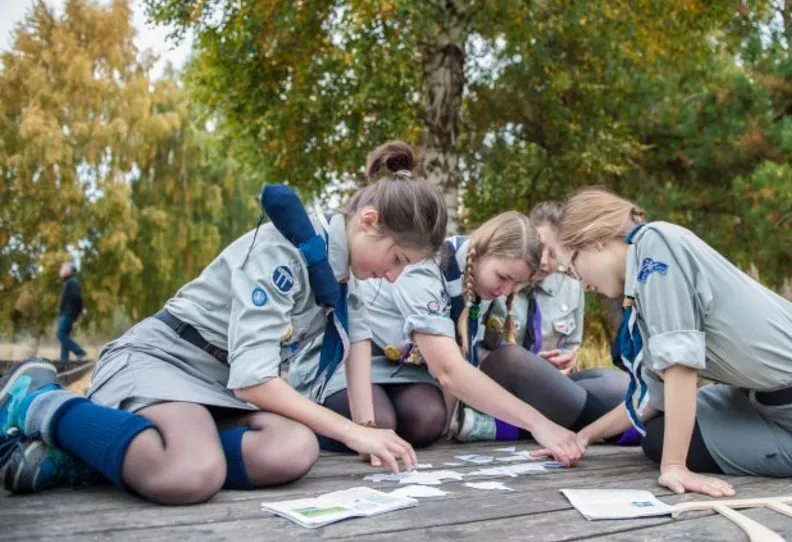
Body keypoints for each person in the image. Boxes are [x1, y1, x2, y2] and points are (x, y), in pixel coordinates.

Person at [0, 140, 447, 501]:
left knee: (293, 449)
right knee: (192, 472)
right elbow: (254, 381)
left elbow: (357, 343)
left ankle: (97, 455)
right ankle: (37, 401)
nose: (394, 276)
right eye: (397, 259)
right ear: (368, 221)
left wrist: (368, 434)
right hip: (165, 358)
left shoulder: (350, 276)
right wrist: (351, 432)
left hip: (217, 387)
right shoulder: (287, 248)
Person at [560, 187, 792, 498]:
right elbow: (653, 398)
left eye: (574, 267)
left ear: (594, 239)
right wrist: (583, 437)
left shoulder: (654, 248)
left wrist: (674, 466)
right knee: (660, 427)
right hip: (766, 399)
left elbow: (680, 366)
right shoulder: (644, 276)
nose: (583, 285)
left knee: (658, 440)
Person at [297, 212, 585, 465]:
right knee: (381, 422)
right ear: (483, 251)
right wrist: (537, 423)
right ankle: (310, 419)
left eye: (516, 284)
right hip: (351, 363)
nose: (506, 290)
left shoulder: (482, 285)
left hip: (402, 370)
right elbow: (449, 371)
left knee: (428, 420)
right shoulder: (426, 270)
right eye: (502, 277)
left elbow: (465, 353)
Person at [451, 201, 630, 443]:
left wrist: (554, 366)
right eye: (539, 249)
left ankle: (501, 429)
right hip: (493, 380)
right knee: (513, 358)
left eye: (554, 254)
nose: (544, 261)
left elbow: (570, 346)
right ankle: (623, 432)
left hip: (544, 388)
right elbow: (469, 348)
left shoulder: (571, 286)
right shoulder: (496, 277)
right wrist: (529, 365)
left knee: (620, 385)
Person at [56, 262, 87, 362]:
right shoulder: (69, 282)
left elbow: (77, 297)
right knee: (65, 337)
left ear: (68, 270)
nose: (60, 271)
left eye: (63, 269)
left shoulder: (72, 282)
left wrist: (81, 309)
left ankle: (79, 351)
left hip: (68, 313)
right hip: (66, 313)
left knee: (60, 333)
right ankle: (64, 361)